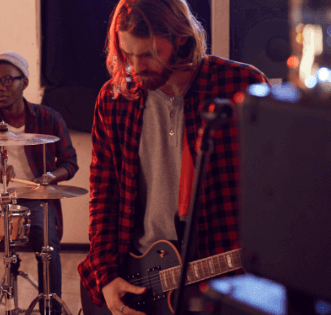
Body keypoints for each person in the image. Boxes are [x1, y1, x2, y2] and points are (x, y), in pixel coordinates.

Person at [77, 0, 268, 314]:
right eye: (128, 54)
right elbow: (104, 194)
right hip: (137, 272)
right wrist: (106, 275)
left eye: (150, 54)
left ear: (181, 39)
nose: (137, 67)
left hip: (217, 272)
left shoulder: (241, 86)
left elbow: (271, 189)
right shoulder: (114, 97)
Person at [0, 51, 78, 314]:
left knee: (45, 241)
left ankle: (50, 309)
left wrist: (48, 178)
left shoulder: (48, 118)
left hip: (32, 198)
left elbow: (70, 163)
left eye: (7, 80)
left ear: (24, 82)